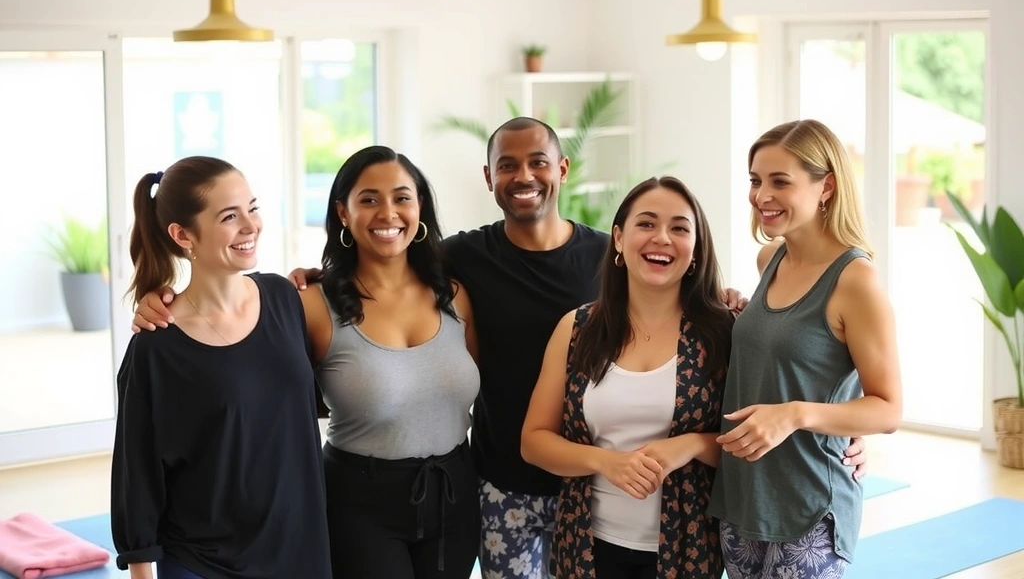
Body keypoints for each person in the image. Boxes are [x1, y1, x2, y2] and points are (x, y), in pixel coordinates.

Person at [136, 118, 868, 579]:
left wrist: (836, 434)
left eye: (539, 162)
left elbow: (790, 363)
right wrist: (169, 296)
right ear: (486, 179)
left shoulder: (683, 299)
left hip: (619, 504)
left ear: (562, 171)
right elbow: (250, 324)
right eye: (369, 200)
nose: (524, 177)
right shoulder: (450, 268)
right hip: (501, 481)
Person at [129, 147, 482, 579]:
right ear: (343, 213)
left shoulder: (455, 294)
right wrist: (164, 303)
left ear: (421, 205)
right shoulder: (307, 302)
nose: (388, 212)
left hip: (450, 495)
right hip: (354, 502)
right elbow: (259, 384)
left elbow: (288, 391)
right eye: (369, 199)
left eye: (402, 197)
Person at [112, 156, 331, 579]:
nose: (251, 226)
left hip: (300, 552)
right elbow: (135, 472)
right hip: (204, 563)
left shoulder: (286, 298)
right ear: (182, 235)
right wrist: (142, 571)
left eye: (253, 207)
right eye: (230, 216)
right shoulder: (157, 346)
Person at [708, 119, 903, 578]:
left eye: (781, 181)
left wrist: (796, 414)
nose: (761, 195)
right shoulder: (768, 260)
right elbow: (787, 353)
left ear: (826, 187)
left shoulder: (856, 281)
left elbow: (888, 409)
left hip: (808, 503)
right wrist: (737, 309)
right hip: (742, 492)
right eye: (756, 180)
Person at [521, 176, 733, 579]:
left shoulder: (723, 333)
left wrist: (691, 445)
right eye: (646, 224)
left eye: (679, 228)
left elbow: (751, 445)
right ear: (618, 238)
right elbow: (534, 442)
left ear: (696, 248)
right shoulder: (578, 327)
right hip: (586, 545)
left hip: (687, 549)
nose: (662, 238)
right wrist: (608, 463)